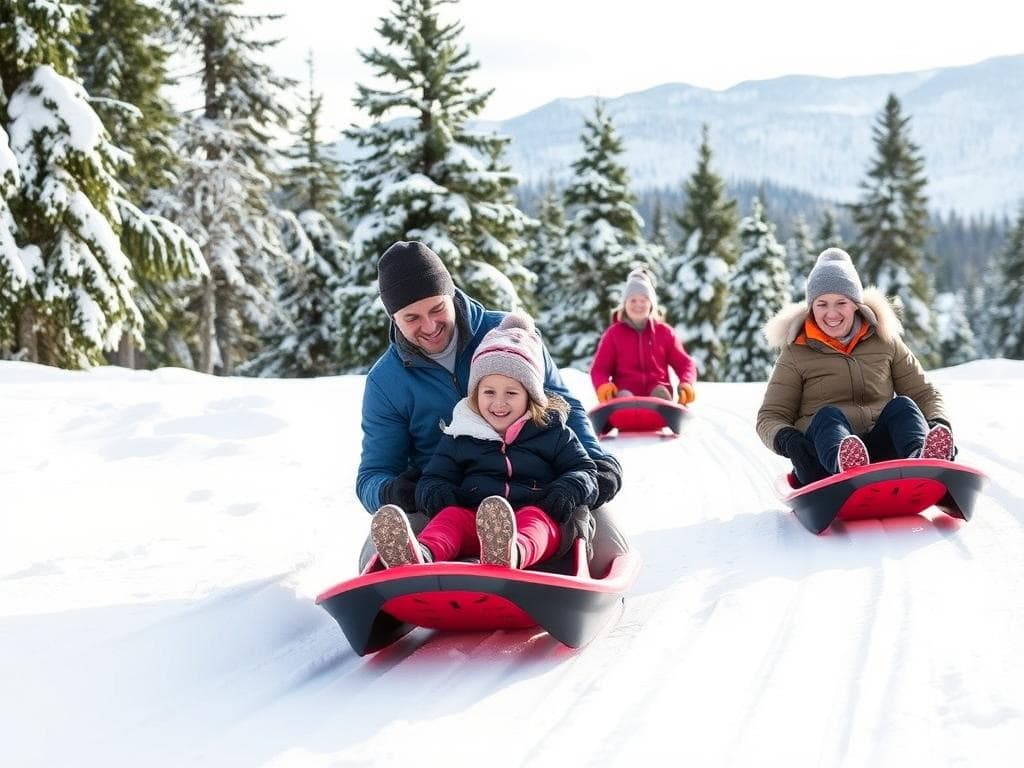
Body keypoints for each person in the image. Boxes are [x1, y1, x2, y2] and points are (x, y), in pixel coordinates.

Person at [355, 241, 625, 568]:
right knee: (374, 559)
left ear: (451, 293)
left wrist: (595, 464)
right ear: (393, 318)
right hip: (447, 499)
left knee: (607, 550)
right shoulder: (387, 381)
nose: (428, 326)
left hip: (543, 488)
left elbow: (562, 407)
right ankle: (408, 586)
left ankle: (544, 578)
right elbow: (372, 474)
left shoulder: (509, 338)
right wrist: (396, 491)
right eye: (412, 317)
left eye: (437, 308)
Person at [370, 312, 599, 569]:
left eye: (511, 393)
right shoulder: (461, 434)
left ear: (531, 396)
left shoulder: (551, 431)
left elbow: (584, 470)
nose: (499, 403)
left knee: (537, 523)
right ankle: (421, 555)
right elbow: (434, 476)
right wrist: (435, 492)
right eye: (489, 392)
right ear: (475, 394)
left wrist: (568, 489)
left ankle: (512, 553)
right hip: (475, 517)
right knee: (451, 519)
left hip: (537, 511)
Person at [756, 247, 956, 487]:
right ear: (811, 307)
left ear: (856, 305)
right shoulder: (796, 351)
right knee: (828, 415)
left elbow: (924, 393)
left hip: (881, 452)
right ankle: (847, 467)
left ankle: (921, 459)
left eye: (841, 302)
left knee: (903, 406)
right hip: (822, 459)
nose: (831, 313)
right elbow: (770, 416)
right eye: (822, 304)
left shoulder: (885, 340)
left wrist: (938, 422)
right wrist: (788, 441)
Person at [590, 267, 697, 405]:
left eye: (644, 300)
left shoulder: (664, 332)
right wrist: (602, 385)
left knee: (660, 393)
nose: (638, 305)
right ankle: (623, 407)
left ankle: (663, 409)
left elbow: (685, 363)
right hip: (625, 392)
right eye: (633, 300)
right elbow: (600, 369)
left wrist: (686, 383)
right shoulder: (614, 334)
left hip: (658, 392)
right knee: (624, 396)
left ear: (651, 304)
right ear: (625, 304)